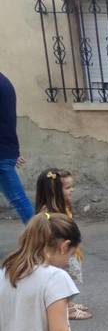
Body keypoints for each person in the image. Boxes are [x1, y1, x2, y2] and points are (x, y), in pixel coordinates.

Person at [34, 169, 90, 320]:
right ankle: (66, 309)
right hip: (58, 253)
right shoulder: (47, 213)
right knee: (63, 279)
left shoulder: (62, 205)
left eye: (72, 186)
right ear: (54, 192)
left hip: (67, 251)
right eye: (67, 188)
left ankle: (68, 304)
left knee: (69, 279)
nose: (72, 190)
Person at [0, 71, 34, 223]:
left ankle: (44, 239)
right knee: (19, 200)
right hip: (5, 150)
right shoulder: (4, 82)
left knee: (19, 200)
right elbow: (7, 120)